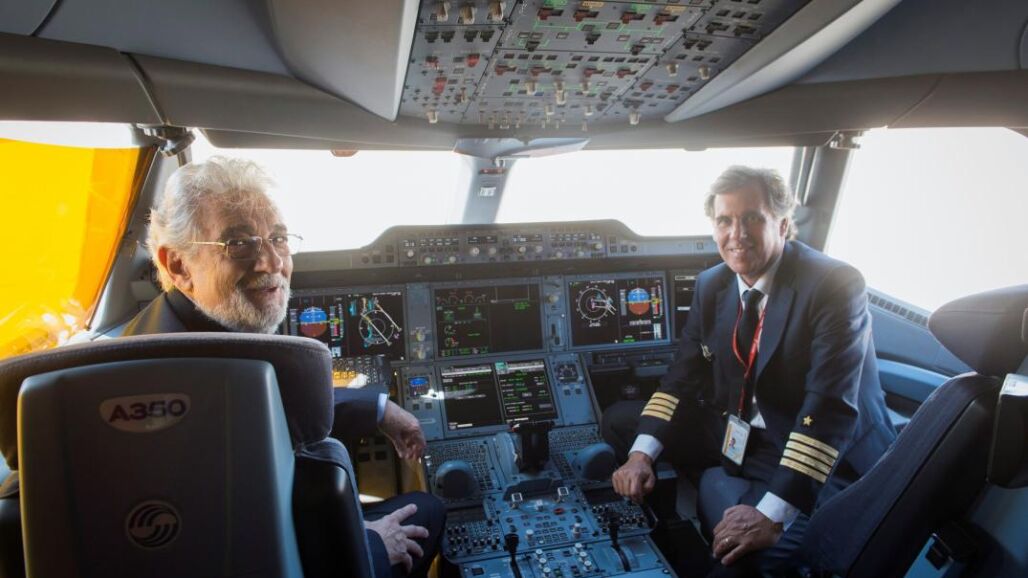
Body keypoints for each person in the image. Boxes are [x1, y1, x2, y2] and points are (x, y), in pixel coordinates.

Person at [123, 156, 444, 578]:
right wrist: (369, 543)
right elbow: (233, 544)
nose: (271, 262)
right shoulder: (184, 384)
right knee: (427, 510)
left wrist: (378, 407)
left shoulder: (179, 338)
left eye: (278, 238)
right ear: (178, 265)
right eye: (239, 243)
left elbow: (270, 412)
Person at [602, 166, 896, 577]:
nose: (736, 234)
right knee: (621, 423)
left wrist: (771, 515)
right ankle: (668, 532)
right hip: (741, 431)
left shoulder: (832, 285)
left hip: (817, 449)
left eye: (752, 218)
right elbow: (681, 378)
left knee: (738, 564)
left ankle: (745, 514)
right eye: (725, 220)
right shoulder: (712, 284)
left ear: (783, 224)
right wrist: (639, 457)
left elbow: (828, 408)